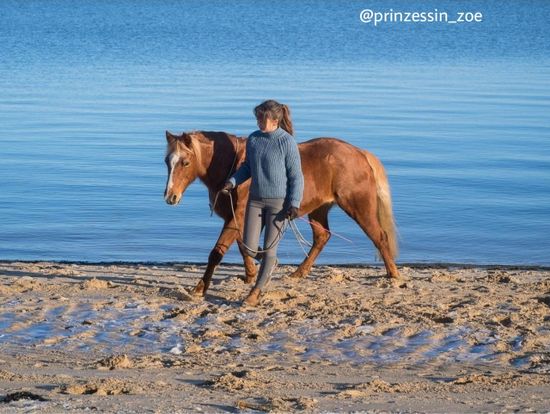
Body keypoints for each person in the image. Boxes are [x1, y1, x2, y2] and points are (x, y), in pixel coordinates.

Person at [223, 100, 304, 307]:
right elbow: (247, 168)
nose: (258, 121)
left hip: (279, 204)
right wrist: (232, 182)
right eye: (257, 117)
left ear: (274, 120)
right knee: (248, 247)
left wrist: (294, 203)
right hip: (256, 201)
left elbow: (296, 176)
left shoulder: (286, 142)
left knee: (269, 250)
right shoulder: (254, 139)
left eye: (261, 117)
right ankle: (270, 262)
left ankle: (256, 291)